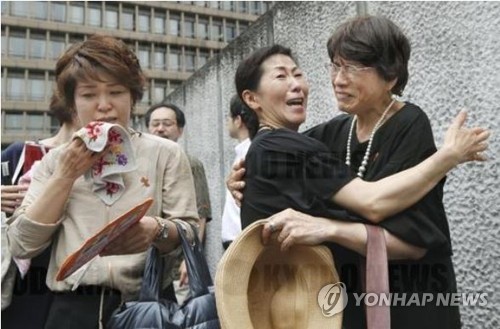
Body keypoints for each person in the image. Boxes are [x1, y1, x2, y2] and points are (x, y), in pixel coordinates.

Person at [230, 40, 488, 328]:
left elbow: (416, 236)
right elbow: (372, 202)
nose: (338, 80)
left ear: (390, 77)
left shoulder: (401, 124)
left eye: (298, 74)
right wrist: (450, 156)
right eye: (336, 67)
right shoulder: (288, 144)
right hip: (314, 309)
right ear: (252, 99)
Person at [6, 34, 199, 329]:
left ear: (133, 97)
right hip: (70, 308)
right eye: (88, 95)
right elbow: (22, 244)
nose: (104, 105)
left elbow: (190, 232)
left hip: (147, 306)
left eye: (116, 92)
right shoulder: (54, 161)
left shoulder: (165, 153)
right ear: (72, 104)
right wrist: (66, 174)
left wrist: (157, 229)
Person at [1, 95, 80, 329]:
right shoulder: (19, 154)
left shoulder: (107, 161)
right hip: (23, 274)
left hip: (76, 278)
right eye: (87, 95)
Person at [144, 102, 212, 303]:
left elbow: (200, 216)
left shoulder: (190, 163)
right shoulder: (139, 163)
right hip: (145, 265)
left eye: (167, 124)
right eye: (155, 124)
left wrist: (188, 261)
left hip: (175, 267)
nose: (160, 129)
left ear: (180, 130)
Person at [221, 95, 259, 250]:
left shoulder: (250, 152)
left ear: (238, 120)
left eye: (229, 117)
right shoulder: (243, 151)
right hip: (239, 244)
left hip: (244, 245)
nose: (227, 122)